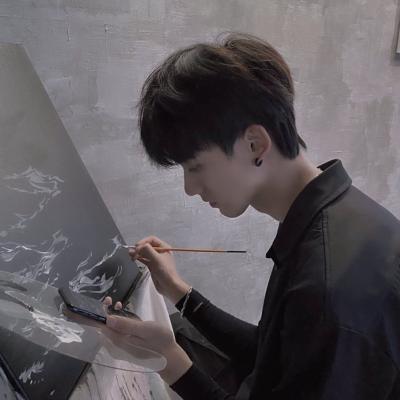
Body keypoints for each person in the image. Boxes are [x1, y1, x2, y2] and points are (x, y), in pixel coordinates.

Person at [105, 32, 400, 399]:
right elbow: (274, 359)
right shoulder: (341, 218)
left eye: (195, 166)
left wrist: (168, 360)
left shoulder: (326, 286)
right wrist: (180, 292)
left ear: (255, 144)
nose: (190, 188)